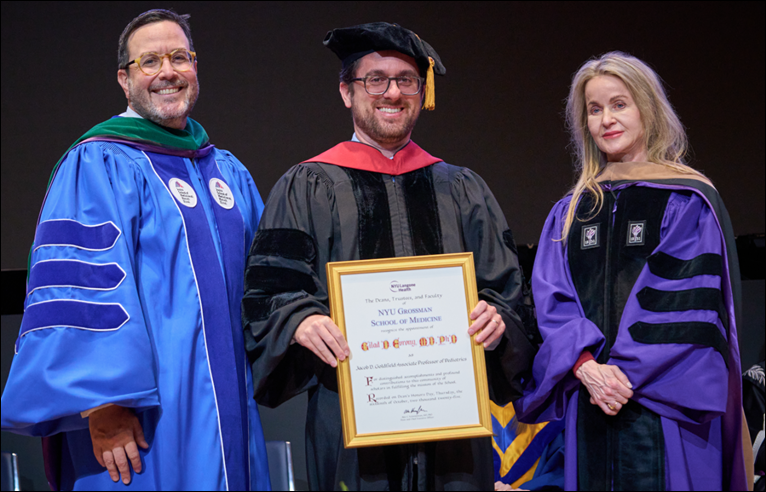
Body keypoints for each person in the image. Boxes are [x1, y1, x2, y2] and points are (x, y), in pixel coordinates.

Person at [243, 22, 538, 491]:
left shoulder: (463, 189)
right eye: (375, 80)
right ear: (347, 92)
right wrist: (299, 320)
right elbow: (269, 290)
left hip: (454, 423)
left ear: (422, 92)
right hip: (351, 416)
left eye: (406, 80)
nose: (393, 93)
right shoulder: (307, 186)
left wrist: (498, 318)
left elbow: (508, 292)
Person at [0, 9, 270, 491]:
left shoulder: (227, 172)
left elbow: (265, 286)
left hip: (229, 412)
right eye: (149, 61)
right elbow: (81, 288)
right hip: (140, 421)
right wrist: (101, 405)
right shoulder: (98, 162)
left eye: (179, 57)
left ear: (194, 67)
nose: (167, 71)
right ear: (125, 80)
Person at [513, 51, 748, 490]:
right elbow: (551, 300)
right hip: (590, 397)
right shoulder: (571, 211)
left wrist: (621, 375)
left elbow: (686, 302)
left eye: (619, 104)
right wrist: (586, 367)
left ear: (647, 108)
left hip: (667, 402)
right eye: (594, 109)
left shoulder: (687, 199)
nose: (606, 119)